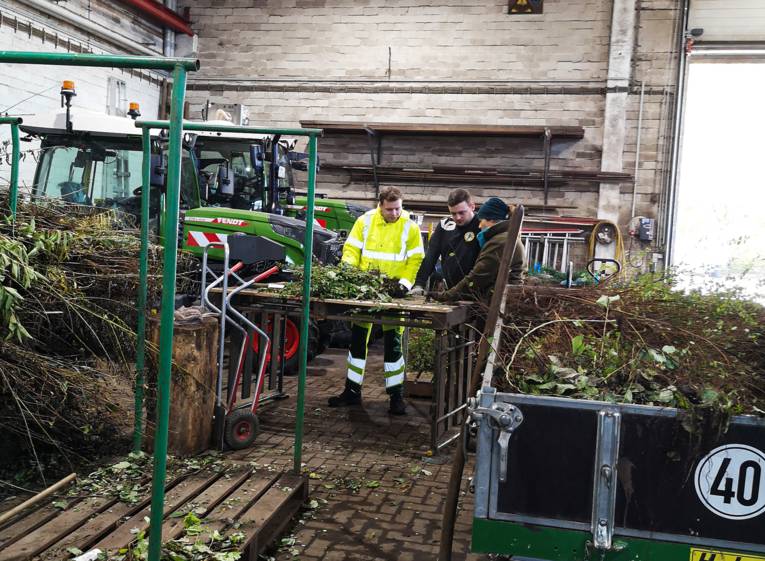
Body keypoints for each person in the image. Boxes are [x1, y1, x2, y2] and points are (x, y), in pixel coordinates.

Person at [329, 186, 425, 415]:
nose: (395, 213)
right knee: (358, 340)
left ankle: (396, 396)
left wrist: (405, 283)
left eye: (398, 209)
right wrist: (348, 273)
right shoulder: (365, 221)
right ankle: (352, 392)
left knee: (393, 344)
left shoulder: (410, 227)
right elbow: (351, 250)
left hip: (394, 294)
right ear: (380, 205)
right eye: (390, 209)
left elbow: (415, 259)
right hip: (366, 291)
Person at [434, 196, 525, 303]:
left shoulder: (500, 241)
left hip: (498, 303)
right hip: (503, 300)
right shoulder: (506, 237)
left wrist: (447, 296)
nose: (480, 225)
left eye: (482, 220)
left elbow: (477, 276)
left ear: (491, 219)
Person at [411, 188, 481, 296]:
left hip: (476, 292)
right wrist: (419, 284)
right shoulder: (445, 225)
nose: (457, 217)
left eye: (462, 213)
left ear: (472, 206)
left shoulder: (481, 225)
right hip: (449, 292)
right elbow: (431, 256)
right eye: (453, 213)